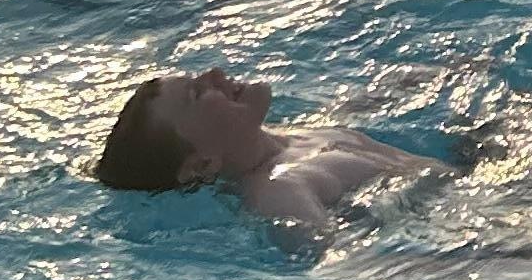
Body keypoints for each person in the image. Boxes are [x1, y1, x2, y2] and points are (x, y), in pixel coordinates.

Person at [91, 66, 445, 239]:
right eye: (197, 93)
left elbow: (359, 109)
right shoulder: (279, 191)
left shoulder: (296, 135)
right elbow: (344, 258)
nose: (215, 74)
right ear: (203, 164)